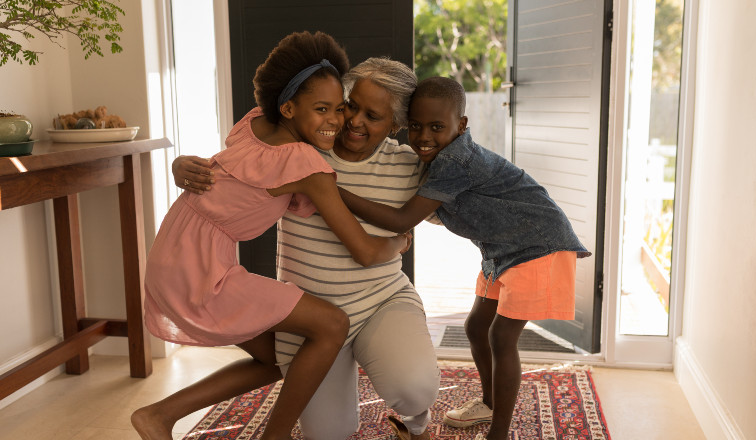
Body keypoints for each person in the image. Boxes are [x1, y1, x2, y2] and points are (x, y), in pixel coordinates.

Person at [131, 32, 413, 440]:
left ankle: (158, 415)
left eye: (339, 108)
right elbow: (367, 252)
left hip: (174, 252)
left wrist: (178, 164)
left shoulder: (252, 123)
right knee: (332, 324)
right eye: (321, 109)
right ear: (288, 107)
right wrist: (400, 241)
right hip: (200, 267)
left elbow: (227, 172)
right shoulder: (305, 163)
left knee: (277, 359)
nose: (337, 121)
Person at [338, 76, 592, 440]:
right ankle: (489, 405)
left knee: (502, 337)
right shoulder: (437, 158)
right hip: (501, 250)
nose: (423, 136)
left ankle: (499, 434)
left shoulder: (456, 160)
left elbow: (402, 219)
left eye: (437, 127)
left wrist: (331, 190)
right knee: (476, 327)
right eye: (416, 126)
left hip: (538, 246)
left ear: (462, 126)